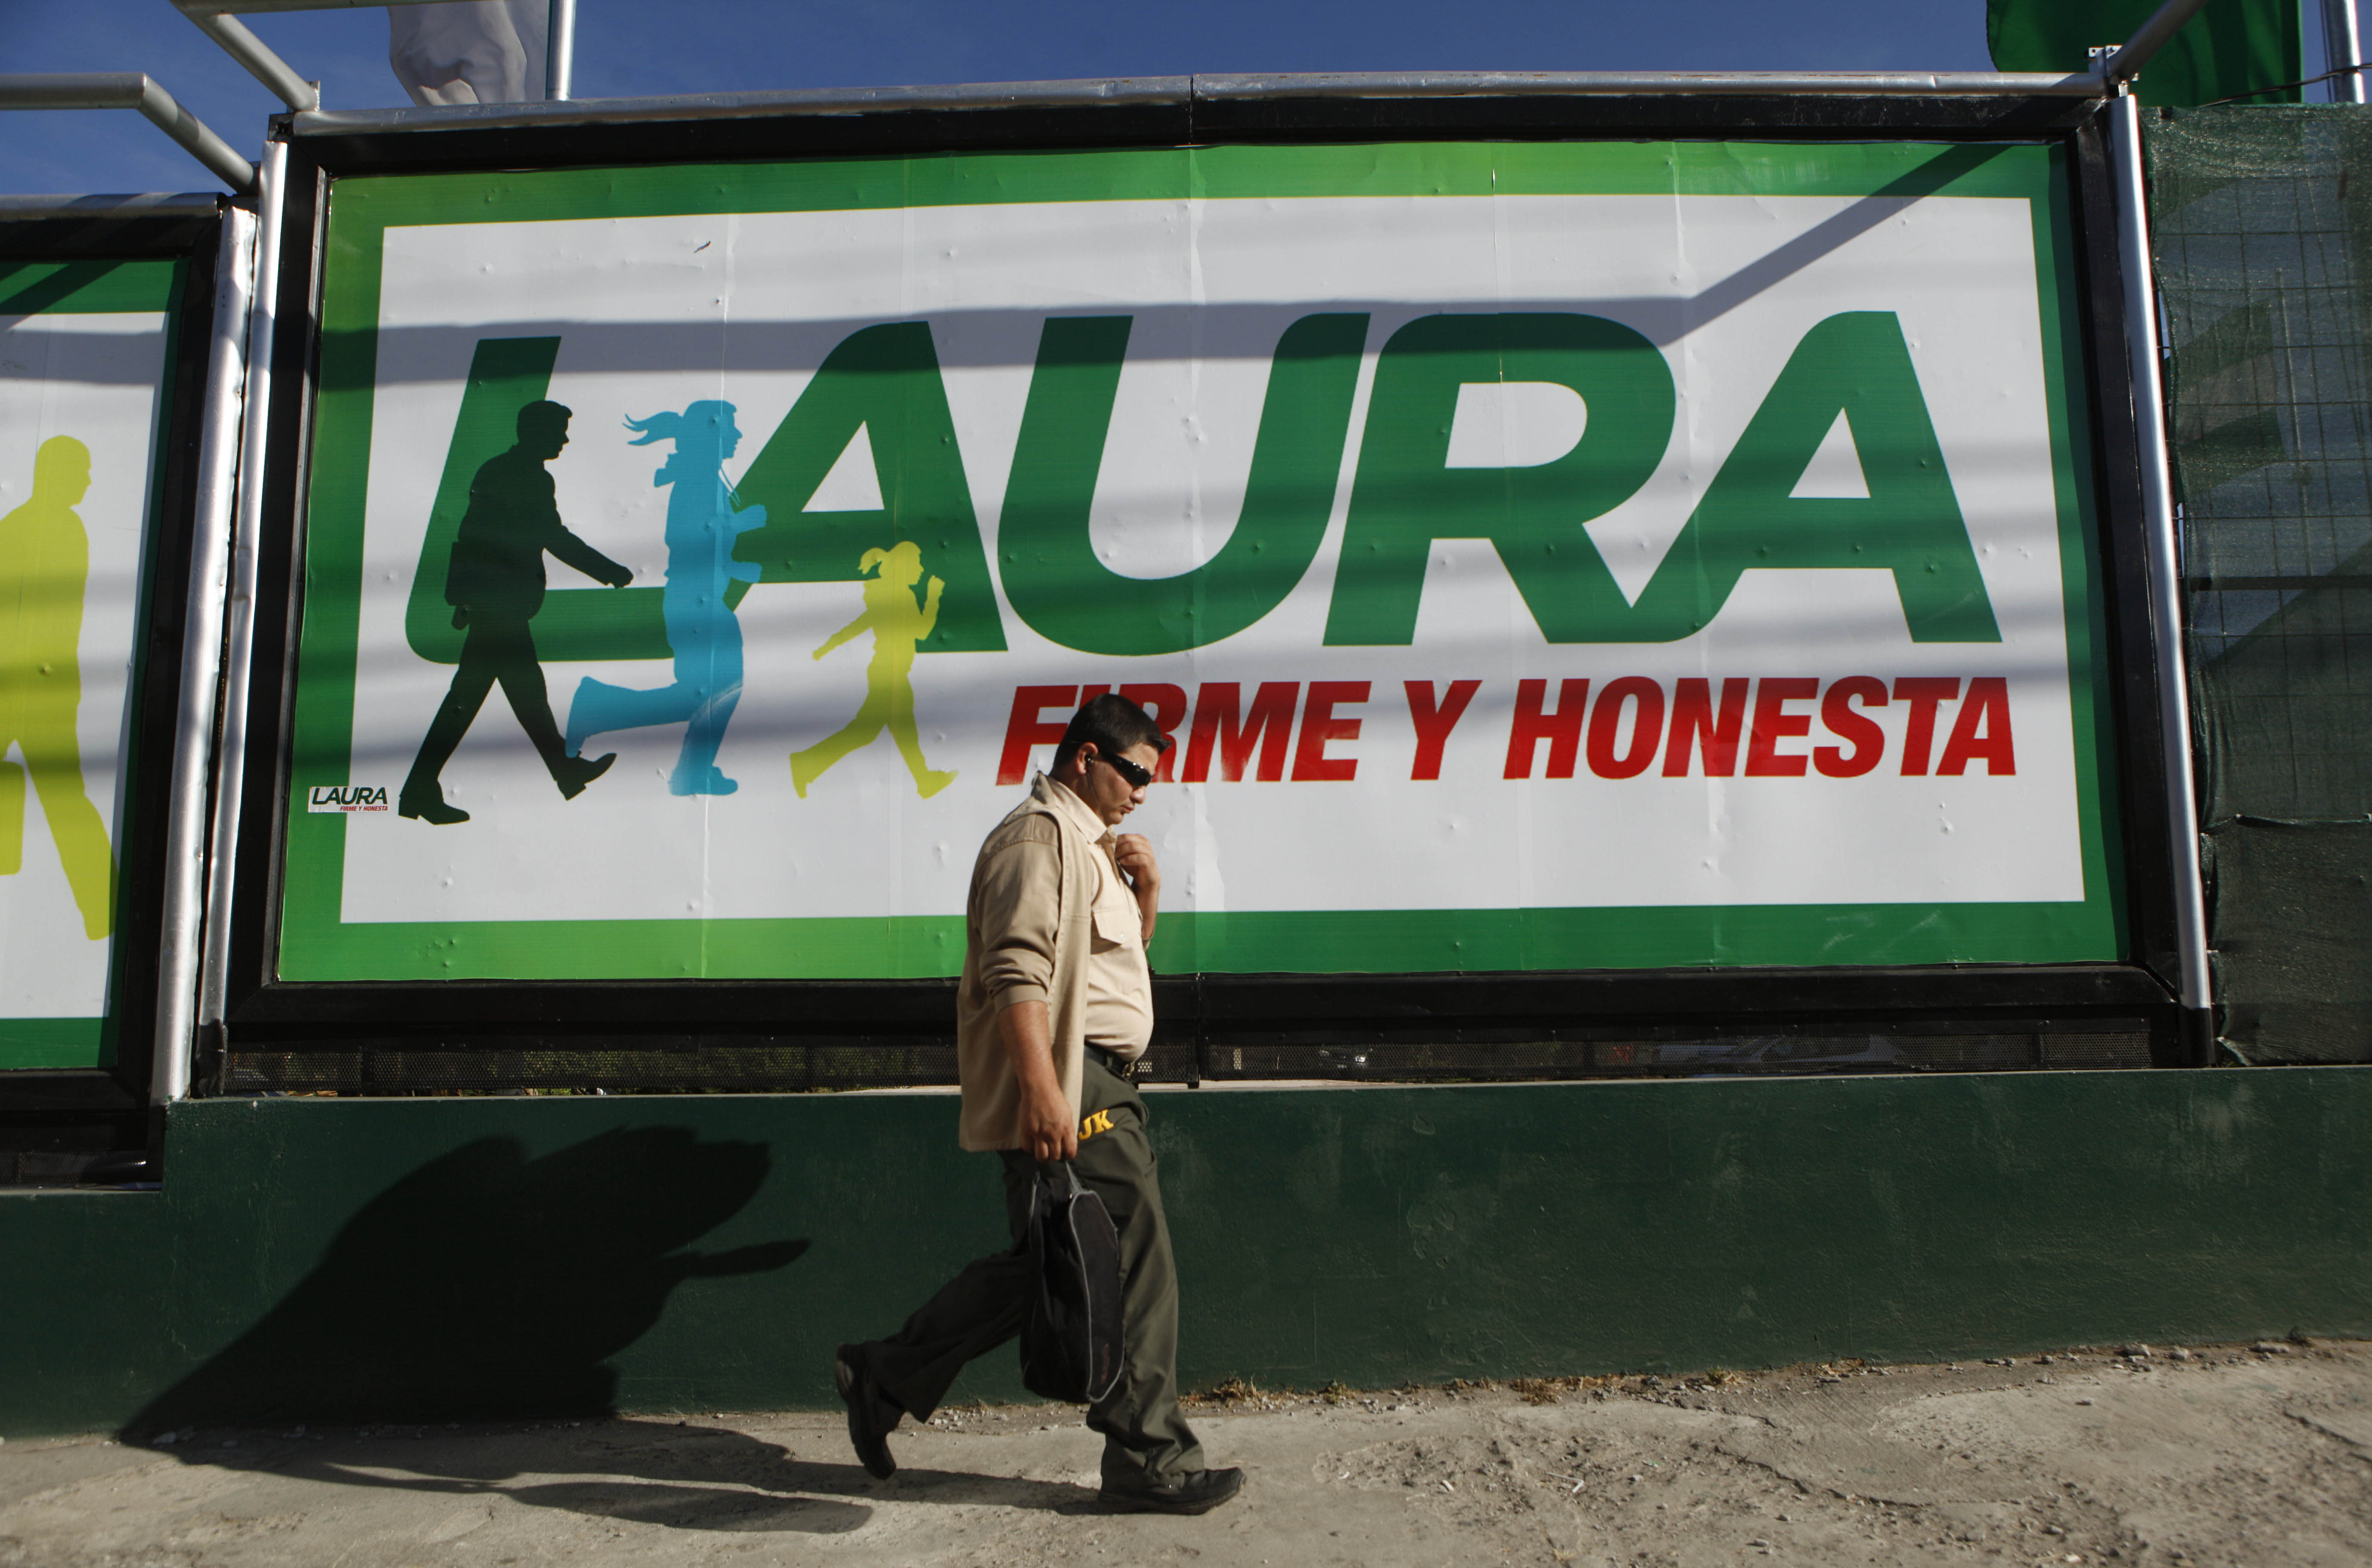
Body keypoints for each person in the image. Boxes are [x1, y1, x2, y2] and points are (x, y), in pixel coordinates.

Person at [833, 694, 1242, 1515]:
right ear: (1085, 758)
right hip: (1074, 1081)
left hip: (1094, 1077)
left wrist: (1147, 893)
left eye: (1149, 780)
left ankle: (886, 1374)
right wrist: (1046, 1091)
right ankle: (1148, 1459)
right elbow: (1014, 974)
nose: (1140, 791)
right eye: (1132, 771)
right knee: (1132, 1262)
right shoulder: (1036, 838)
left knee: (1056, 1265)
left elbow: (1102, 973)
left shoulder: (1091, 847)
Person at [401, 400, 632, 824]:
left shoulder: (500, 470)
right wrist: (609, 570)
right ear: (536, 432)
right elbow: (551, 536)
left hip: (492, 603)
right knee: (506, 696)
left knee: (488, 698)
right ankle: (562, 771)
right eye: (559, 430)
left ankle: (420, 789)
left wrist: (465, 598)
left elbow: (471, 533)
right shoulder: (528, 477)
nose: (564, 439)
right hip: (500, 606)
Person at [563, 401, 767, 796]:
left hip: (702, 599)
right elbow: (684, 537)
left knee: (714, 690)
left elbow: (710, 549)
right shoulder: (697, 479)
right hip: (694, 601)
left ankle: (686, 766)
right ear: (711, 433)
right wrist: (737, 523)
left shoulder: (709, 476)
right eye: (731, 429)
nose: (739, 436)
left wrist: (737, 565)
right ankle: (599, 708)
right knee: (711, 691)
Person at [0, 435, 115, 940]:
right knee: (68, 800)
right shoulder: (63, 529)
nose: (88, 481)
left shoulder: (15, 525)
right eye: (81, 471)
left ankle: (103, 910)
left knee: (65, 799)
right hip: (41, 686)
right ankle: (104, 913)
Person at [789, 540, 956, 799]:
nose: (922, 569)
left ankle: (806, 763)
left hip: (888, 671)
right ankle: (924, 781)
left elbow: (859, 625)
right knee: (881, 732)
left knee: (871, 733)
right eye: (918, 563)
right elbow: (922, 631)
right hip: (889, 673)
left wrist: (828, 647)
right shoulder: (901, 596)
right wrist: (933, 597)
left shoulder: (889, 593)